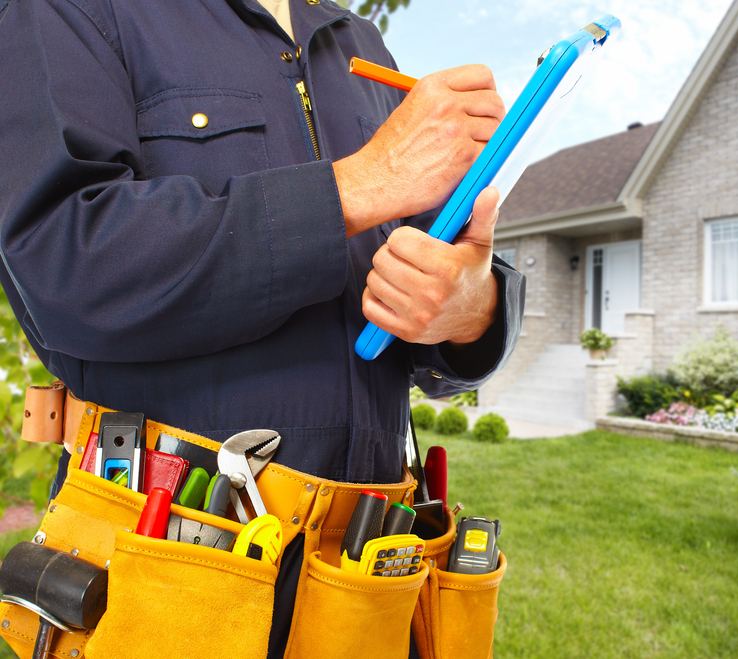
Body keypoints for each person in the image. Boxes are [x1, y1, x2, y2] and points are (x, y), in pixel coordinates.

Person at [0, 0, 525, 655]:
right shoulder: (73, 9)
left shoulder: (356, 40)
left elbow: (428, 293)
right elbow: (62, 260)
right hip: (168, 568)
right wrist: (362, 183)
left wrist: (471, 305)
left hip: (367, 577)